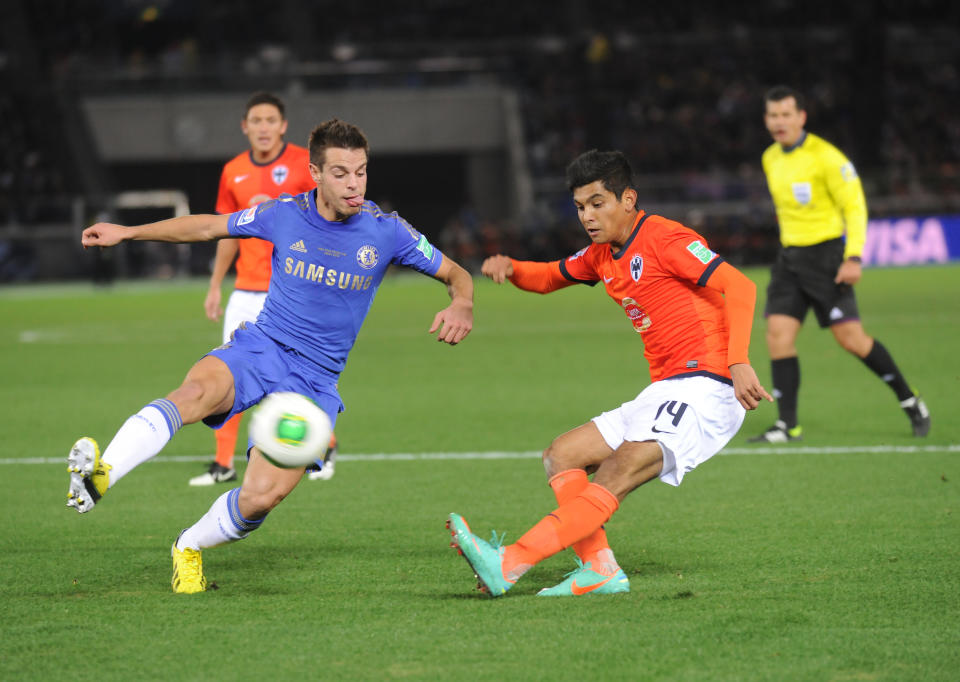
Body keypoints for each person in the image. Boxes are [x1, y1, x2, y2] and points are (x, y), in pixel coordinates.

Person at [68, 118, 475, 594]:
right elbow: (207, 228)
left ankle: (188, 547)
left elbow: (457, 274)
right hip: (261, 347)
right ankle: (102, 474)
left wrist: (462, 302)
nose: (354, 184)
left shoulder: (388, 233)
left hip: (314, 382)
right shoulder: (283, 214)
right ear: (315, 173)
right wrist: (129, 232)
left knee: (262, 497)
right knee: (195, 392)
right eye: (341, 173)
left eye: (361, 172)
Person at [447, 149, 772, 597]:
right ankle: (600, 569)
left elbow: (740, 285)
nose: (588, 216)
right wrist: (512, 268)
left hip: (709, 384)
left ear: (628, 200)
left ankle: (509, 563)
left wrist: (738, 362)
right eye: (580, 207)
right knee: (561, 455)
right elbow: (549, 276)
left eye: (598, 203)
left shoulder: (664, 238)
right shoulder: (602, 255)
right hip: (667, 387)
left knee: (616, 471)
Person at [748, 85, 930, 443]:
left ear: (802, 117)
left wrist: (854, 256)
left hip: (826, 258)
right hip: (789, 259)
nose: (779, 122)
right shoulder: (770, 157)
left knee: (852, 340)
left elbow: (855, 207)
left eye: (786, 114)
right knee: (778, 336)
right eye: (773, 115)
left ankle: (910, 400)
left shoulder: (828, 158)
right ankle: (787, 425)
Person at [190, 91, 337, 487]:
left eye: (271, 120)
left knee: (297, 375)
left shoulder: (305, 167)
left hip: (292, 292)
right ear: (245, 127)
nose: (264, 127)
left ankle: (323, 443)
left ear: (283, 126)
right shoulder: (232, 171)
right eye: (256, 120)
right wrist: (216, 285)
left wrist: (276, 203)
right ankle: (223, 464)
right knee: (228, 375)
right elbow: (226, 232)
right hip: (245, 289)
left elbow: (325, 217)